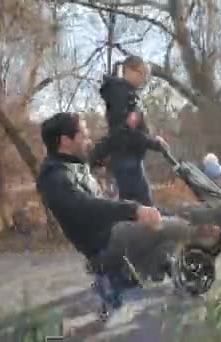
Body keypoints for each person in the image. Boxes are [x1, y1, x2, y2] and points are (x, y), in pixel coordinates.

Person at [36, 112, 202, 282]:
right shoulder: (55, 177)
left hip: (111, 232)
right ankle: (131, 272)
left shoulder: (74, 164)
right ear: (66, 141)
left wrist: (146, 140)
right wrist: (133, 210)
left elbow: (109, 143)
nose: (89, 140)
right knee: (179, 227)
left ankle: (147, 269)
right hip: (103, 244)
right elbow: (86, 206)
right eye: (84, 135)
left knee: (165, 216)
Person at [95, 55, 167, 206]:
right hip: (125, 157)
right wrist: (153, 143)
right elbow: (125, 130)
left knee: (137, 207)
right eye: (141, 73)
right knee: (142, 207)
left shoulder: (128, 94)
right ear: (129, 70)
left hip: (131, 156)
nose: (143, 79)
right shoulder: (120, 94)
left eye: (146, 75)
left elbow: (133, 126)